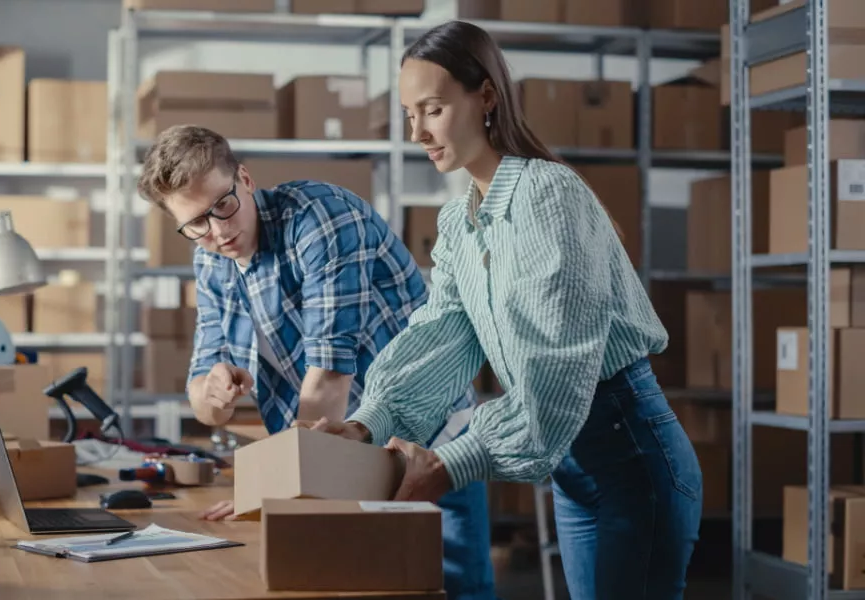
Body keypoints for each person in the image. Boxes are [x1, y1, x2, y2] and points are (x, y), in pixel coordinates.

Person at [296, 20, 703, 600]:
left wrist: (452, 463)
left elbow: (555, 374)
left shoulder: (548, 195)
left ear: (485, 95)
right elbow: (440, 340)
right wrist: (368, 423)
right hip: (574, 473)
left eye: (431, 110)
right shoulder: (460, 224)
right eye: (409, 114)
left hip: (631, 462)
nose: (417, 131)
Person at [136, 124, 497, 600]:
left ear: (244, 178)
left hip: (426, 441)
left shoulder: (320, 219)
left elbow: (328, 378)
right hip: (337, 455)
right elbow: (203, 400)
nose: (218, 230)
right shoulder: (212, 262)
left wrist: (276, 489)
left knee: (451, 589)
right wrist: (215, 393)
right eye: (195, 223)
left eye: (223, 205)